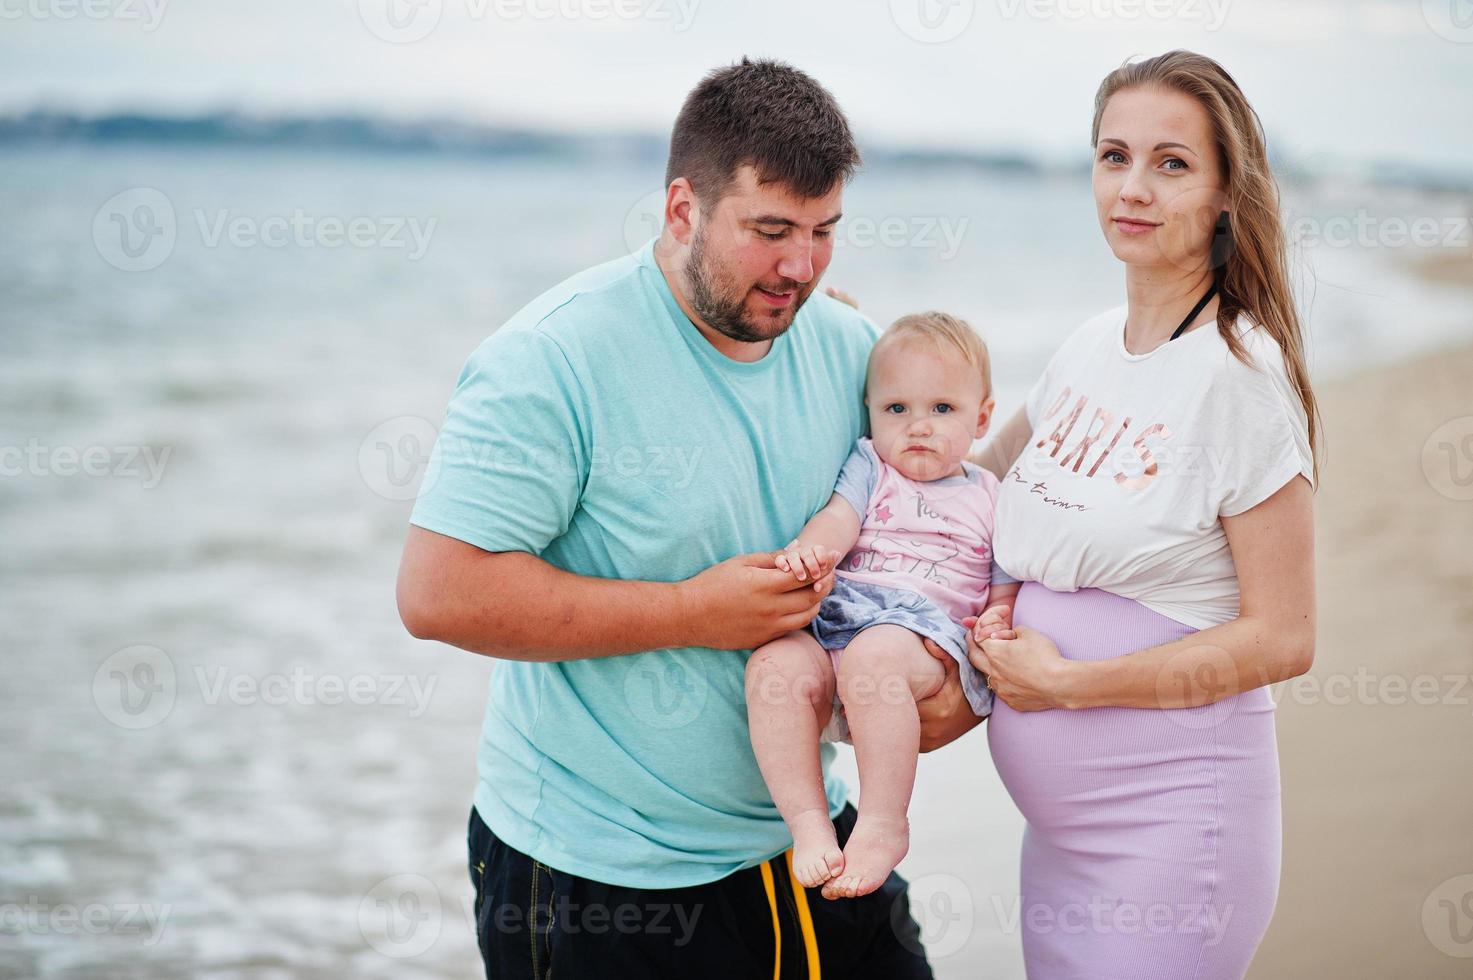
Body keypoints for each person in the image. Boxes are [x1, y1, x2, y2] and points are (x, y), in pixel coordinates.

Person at [395, 58, 967, 978]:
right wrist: (691, 613)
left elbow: (932, 522)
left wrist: (951, 681)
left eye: (823, 232)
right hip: (596, 877)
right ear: (681, 211)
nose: (800, 266)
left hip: (807, 845)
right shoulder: (552, 359)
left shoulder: (854, 350)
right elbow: (436, 595)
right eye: (769, 230)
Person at [965, 50, 1320, 978]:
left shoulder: (1238, 377)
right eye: (1112, 155)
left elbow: (1283, 638)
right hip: (1057, 846)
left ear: (1224, 194)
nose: (1132, 187)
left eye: (1170, 164)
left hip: (1172, 835)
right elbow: (966, 485)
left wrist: (1068, 686)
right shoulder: (1084, 347)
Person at [745, 311, 1020, 899]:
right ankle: (809, 823)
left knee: (877, 655)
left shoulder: (990, 495)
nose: (918, 426)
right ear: (870, 412)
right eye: (897, 409)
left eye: (941, 409)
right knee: (774, 665)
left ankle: (881, 821)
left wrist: (999, 614)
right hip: (841, 619)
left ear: (983, 417)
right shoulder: (871, 465)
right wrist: (810, 554)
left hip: (922, 639)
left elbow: (1004, 580)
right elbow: (839, 519)